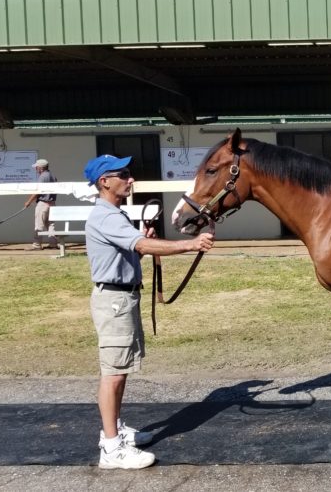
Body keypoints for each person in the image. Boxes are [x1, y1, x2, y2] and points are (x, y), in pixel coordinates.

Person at [83, 154, 215, 470]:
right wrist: (190, 244)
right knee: (113, 374)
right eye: (124, 174)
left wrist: (142, 243)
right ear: (105, 181)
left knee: (120, 368)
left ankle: (113, 430)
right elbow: (140, 247)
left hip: (121, 298)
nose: (131, 179)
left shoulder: (113, 215)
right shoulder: (106, 217)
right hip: (114, 302)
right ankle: (112, 448)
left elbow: (129, 255)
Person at [24, 158, 58, 249]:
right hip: (52, 204)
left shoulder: (42, 177)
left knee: (39, 225)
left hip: (43, 204)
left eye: (37, 167)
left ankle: (37, 244)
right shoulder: (53, 176)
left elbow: (38, 191)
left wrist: (28, 202)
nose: (36, 169)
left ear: (41, 168)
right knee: (51, 225)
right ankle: (53, 244)